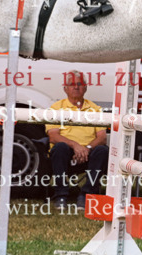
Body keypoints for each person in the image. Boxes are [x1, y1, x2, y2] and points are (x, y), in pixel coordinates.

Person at [46, 71, 109, 208]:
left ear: (85, 88)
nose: (76, 87)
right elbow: (53, 135)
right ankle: (61, 195)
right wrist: (75, 146)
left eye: (79, 84)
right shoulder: (56, 108)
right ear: (65, 88)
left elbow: (102, 137)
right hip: (66, 152)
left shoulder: (95, 109)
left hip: (88, 152)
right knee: (59, 148)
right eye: (72, 84)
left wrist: (87, 149)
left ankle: (86, 195)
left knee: (102, 150)